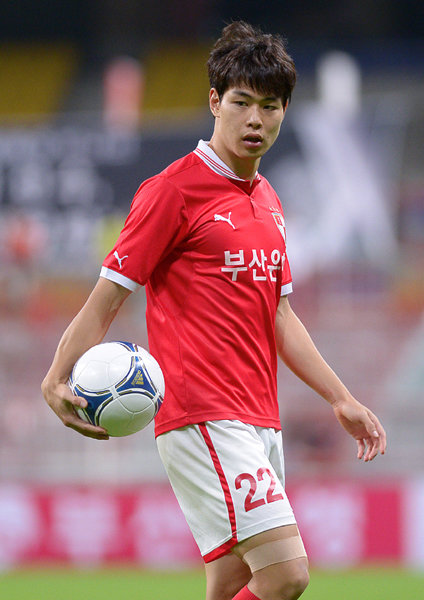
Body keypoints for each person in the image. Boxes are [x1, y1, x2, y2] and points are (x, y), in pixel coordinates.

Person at [42, 21, 386, 600]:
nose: (255, 119)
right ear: (214, 102)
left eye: (269, 107)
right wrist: (56, 377)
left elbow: (279, 316)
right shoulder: (172, 191)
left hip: (260, 418)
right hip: (203, 415)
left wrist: (340, 398)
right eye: (241, 102)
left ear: (284, 112)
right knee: (286, 575)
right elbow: (108, 296)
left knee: (232, 582)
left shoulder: (269, 201)